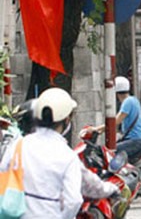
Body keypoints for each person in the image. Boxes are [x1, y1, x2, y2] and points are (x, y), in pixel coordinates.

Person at [0, 88, 83, 218]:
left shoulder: (19, 145)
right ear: (67, 120)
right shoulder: (68, 156)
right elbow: (73, 200)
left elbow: (3, 173)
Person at [112, 76, 141, 159]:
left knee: (112, 152)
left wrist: (97, 129)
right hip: (139, 139)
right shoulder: (133, 99)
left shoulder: (127, 102)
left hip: (136, 140)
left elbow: (116, 121)